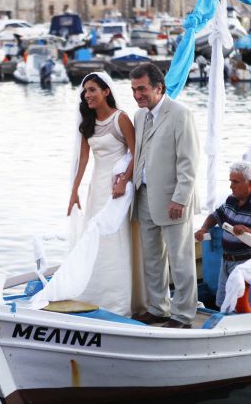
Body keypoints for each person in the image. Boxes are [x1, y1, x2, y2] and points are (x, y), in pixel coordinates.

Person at [129, 63, 200, 329]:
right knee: (151, 258)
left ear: (159, 88)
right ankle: (158, 308)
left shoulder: (180, 114)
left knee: (180, 260)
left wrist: (180, 199)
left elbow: (189, 161)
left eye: (142, 89)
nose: (137, 95)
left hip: (173, 199)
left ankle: (183, 315)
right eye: (134, 89)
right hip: (144, 195)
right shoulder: (139, 117)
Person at [68, 72, 137, 316]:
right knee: (94, 236)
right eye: (85, 91)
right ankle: (92, 293)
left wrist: (124, 181)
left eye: (93, 90)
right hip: (96, 188)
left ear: (106, 91)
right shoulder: (88, 124)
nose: (87, 95)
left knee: (115, 239)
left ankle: (118, 302)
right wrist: (74, 191)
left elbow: (136, 153)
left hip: (118, 188)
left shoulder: (121, 119)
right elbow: (84, 160)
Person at [193, 161, 251, 308]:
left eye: (236, 182)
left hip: (248, 264)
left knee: (246, 306)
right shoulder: (231, 199)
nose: (231, 186)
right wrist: (204, 229)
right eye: (230, 181)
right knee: (222, 303)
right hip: (226, 262)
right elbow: (215, 216)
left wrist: (250, 230)